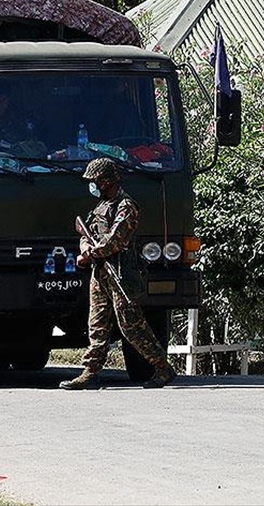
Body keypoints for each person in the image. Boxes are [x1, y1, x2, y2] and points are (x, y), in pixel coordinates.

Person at [60, 158, 176, 390]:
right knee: (97, 324)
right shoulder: (101, 206)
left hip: (120, 272)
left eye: (95, 181)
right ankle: (90, 372)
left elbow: (116, 240)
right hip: (100, 272)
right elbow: (87, 231)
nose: (92, 185)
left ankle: (163, 367)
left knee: (131, 325)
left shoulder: (126, 206)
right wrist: (85, 248)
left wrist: (90, 253)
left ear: (107, 181)